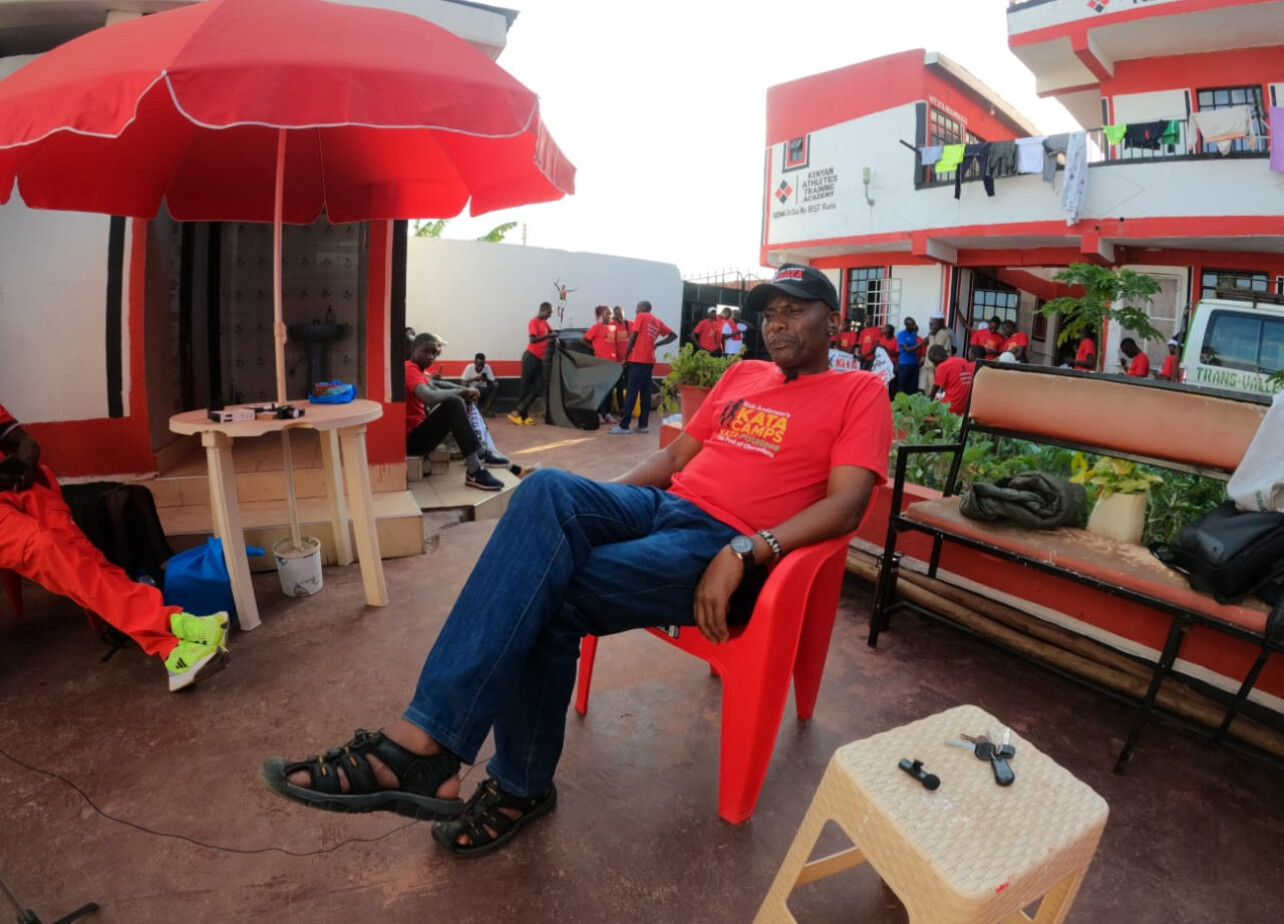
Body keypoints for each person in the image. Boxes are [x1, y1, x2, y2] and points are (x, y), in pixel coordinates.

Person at [259, 263, 892, 857]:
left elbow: (848, 506)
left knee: (545, 594)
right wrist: (591, 508)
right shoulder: (743, 376)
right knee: (546, 491)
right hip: (664, 506)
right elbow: (673, 460)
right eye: (769, 313)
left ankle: (471, 765)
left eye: (793, 311)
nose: (776, 324)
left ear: (833, 321)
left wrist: (747, 549)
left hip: (726, 543)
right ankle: (447, 752)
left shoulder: (859, 391)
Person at [0, 404, 229, 691]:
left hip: (22, 490)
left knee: (84, 557)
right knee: (46, 547)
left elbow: (26, 442)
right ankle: (174, 628)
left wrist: (23, 463)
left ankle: (174, 645)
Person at [406, 334, 504, 491]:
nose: (431, 356)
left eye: (434, 353)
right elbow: (430, 397)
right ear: (413, 349)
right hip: (412, 442)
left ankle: (479, 453)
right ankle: (475, 471)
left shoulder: (416, 370)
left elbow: (436, 384)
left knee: (456, 400)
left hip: (417, 434)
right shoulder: (409, 369)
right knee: (454, 403)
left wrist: (464, 389)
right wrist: (461, 392)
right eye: (426, 351)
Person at [609, 301, 675, 435]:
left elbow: (633, 338)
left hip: (638, 360)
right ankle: (643, 425)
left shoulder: (641, 316)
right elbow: (673, 335)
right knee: (645, 393)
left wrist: (625, 357)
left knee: (632, 392)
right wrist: (657, 344)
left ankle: (624, 426)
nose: (636, 310)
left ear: (643, 308)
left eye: (637, 307)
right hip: (649, 361)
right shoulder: (657, 321)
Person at [508, 302, 556, 426]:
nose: (549, 315)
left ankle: (518, 411)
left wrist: (554, 336)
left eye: (550, 313)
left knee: (539, 388)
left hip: (539, 359)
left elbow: (552, 332)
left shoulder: (544, 323)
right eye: (549, 313)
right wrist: (547, 336)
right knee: (525, 387)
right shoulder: (533, 322)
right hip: (530, 357)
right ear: (542, 310)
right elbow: (532, 339)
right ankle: (521, 416)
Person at [583, 306, 622, 425]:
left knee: (609, 389)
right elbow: (583, 340)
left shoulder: (613, 328)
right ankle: (599, 414)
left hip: (612, 363)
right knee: (600, 390)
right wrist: (594, 349)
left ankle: (608, 414)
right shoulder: (597, 327)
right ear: (601, 315)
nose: (609, 316)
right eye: (607, 313)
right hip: (600, 363)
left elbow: (615, 345)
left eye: (610, 314)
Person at [931, 344, 980, 415]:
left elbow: (933, 393)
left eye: (933, 361)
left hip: (951, 407)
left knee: (932, 404)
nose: (933, 364)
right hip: (965, 406)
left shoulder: (942, 366)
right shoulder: (962, 360)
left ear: (935, 358)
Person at [919, 313, 953, 393]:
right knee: (927, 391)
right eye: (930, 324)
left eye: (932, 325)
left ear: (939, 324)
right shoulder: (932, 334)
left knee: (933, 393)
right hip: (928, 368)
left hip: (935, 369)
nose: (930, 327)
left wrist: (932, 336)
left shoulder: (943, 334)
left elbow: (935, 350)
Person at [460, 352, 499, 418]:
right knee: (463, 385)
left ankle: (487, 410)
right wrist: (473, 379)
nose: (480, 367)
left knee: (495, 384)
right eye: (478, 365)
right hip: (472, 390)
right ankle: (467, 409)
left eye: (482, 365)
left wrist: (486, 379)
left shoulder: (487, 367)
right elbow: (462, 381)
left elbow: (492, 381)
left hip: (483, 390)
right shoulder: (469, 367)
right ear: (475, 362)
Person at [895, 317, 925, 396]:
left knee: (913, 387)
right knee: (902, 387)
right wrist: (921, 343)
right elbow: (907, 349)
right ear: (907, 325)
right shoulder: (902, 334)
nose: (914, 326)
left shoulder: (913, 334)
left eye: (914, 324)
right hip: (904, 364)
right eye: (912, 324)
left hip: (914, 364)